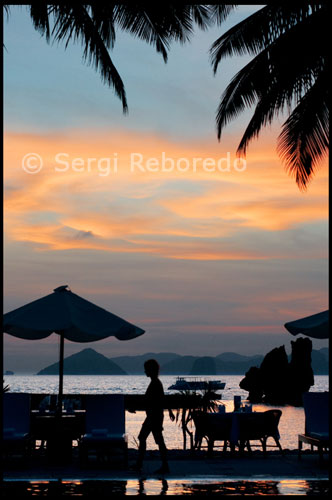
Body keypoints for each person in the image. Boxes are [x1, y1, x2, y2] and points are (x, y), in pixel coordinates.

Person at [133, 359, 174, 473]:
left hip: (154, 416)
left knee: (152, 439)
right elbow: (161, 398)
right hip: (154, 416)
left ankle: (142, 464)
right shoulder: (155, 382)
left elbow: (157, 399)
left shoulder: (155, 383)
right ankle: (142, 464)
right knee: (153, 439)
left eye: (146, 369)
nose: (145, 371)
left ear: (151, 370)